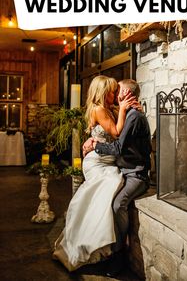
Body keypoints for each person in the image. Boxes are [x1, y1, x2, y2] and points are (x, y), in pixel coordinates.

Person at [53, 75, 138, 271]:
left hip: (106, 159)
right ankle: (97, 244)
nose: (114, 94)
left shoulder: (108, 109)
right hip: (98, 163)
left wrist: (129, 108)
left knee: (100, 196)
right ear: (102, 92)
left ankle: (99, 243)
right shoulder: (99, 109)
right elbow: (116, 133)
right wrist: (124, 109)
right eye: (111, 91)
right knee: (109, 186)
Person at [83, 79, 151, 276]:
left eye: (118, 91)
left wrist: (95, 145)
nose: (115, 94)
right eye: (113, 92)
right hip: (123, 170)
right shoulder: (127, 113)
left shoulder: (134, 116)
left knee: (116, 204)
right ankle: (105, 250)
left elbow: (118, 148)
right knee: (104, 201)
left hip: (136, 174)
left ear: (127, 94)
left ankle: (119, 254)